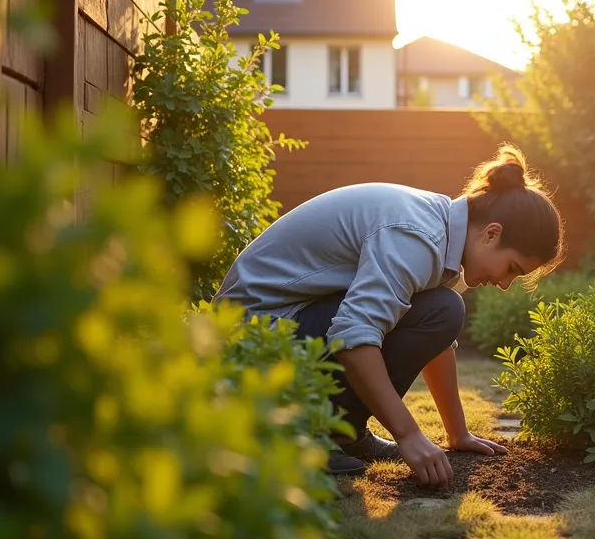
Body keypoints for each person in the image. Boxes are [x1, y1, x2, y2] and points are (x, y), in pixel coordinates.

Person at [213, 143, 565, 489]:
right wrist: (408, 434)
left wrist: (457, 432)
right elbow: (352, 336)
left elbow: (437, 340)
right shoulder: (417, 237)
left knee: (442, 309)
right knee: (442, 309)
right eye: (512, 269)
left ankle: (341, 431)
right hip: (252, 340)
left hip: (289, 322)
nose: (504, 284)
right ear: (492, 234)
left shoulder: (441, 237)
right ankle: (317, 434)